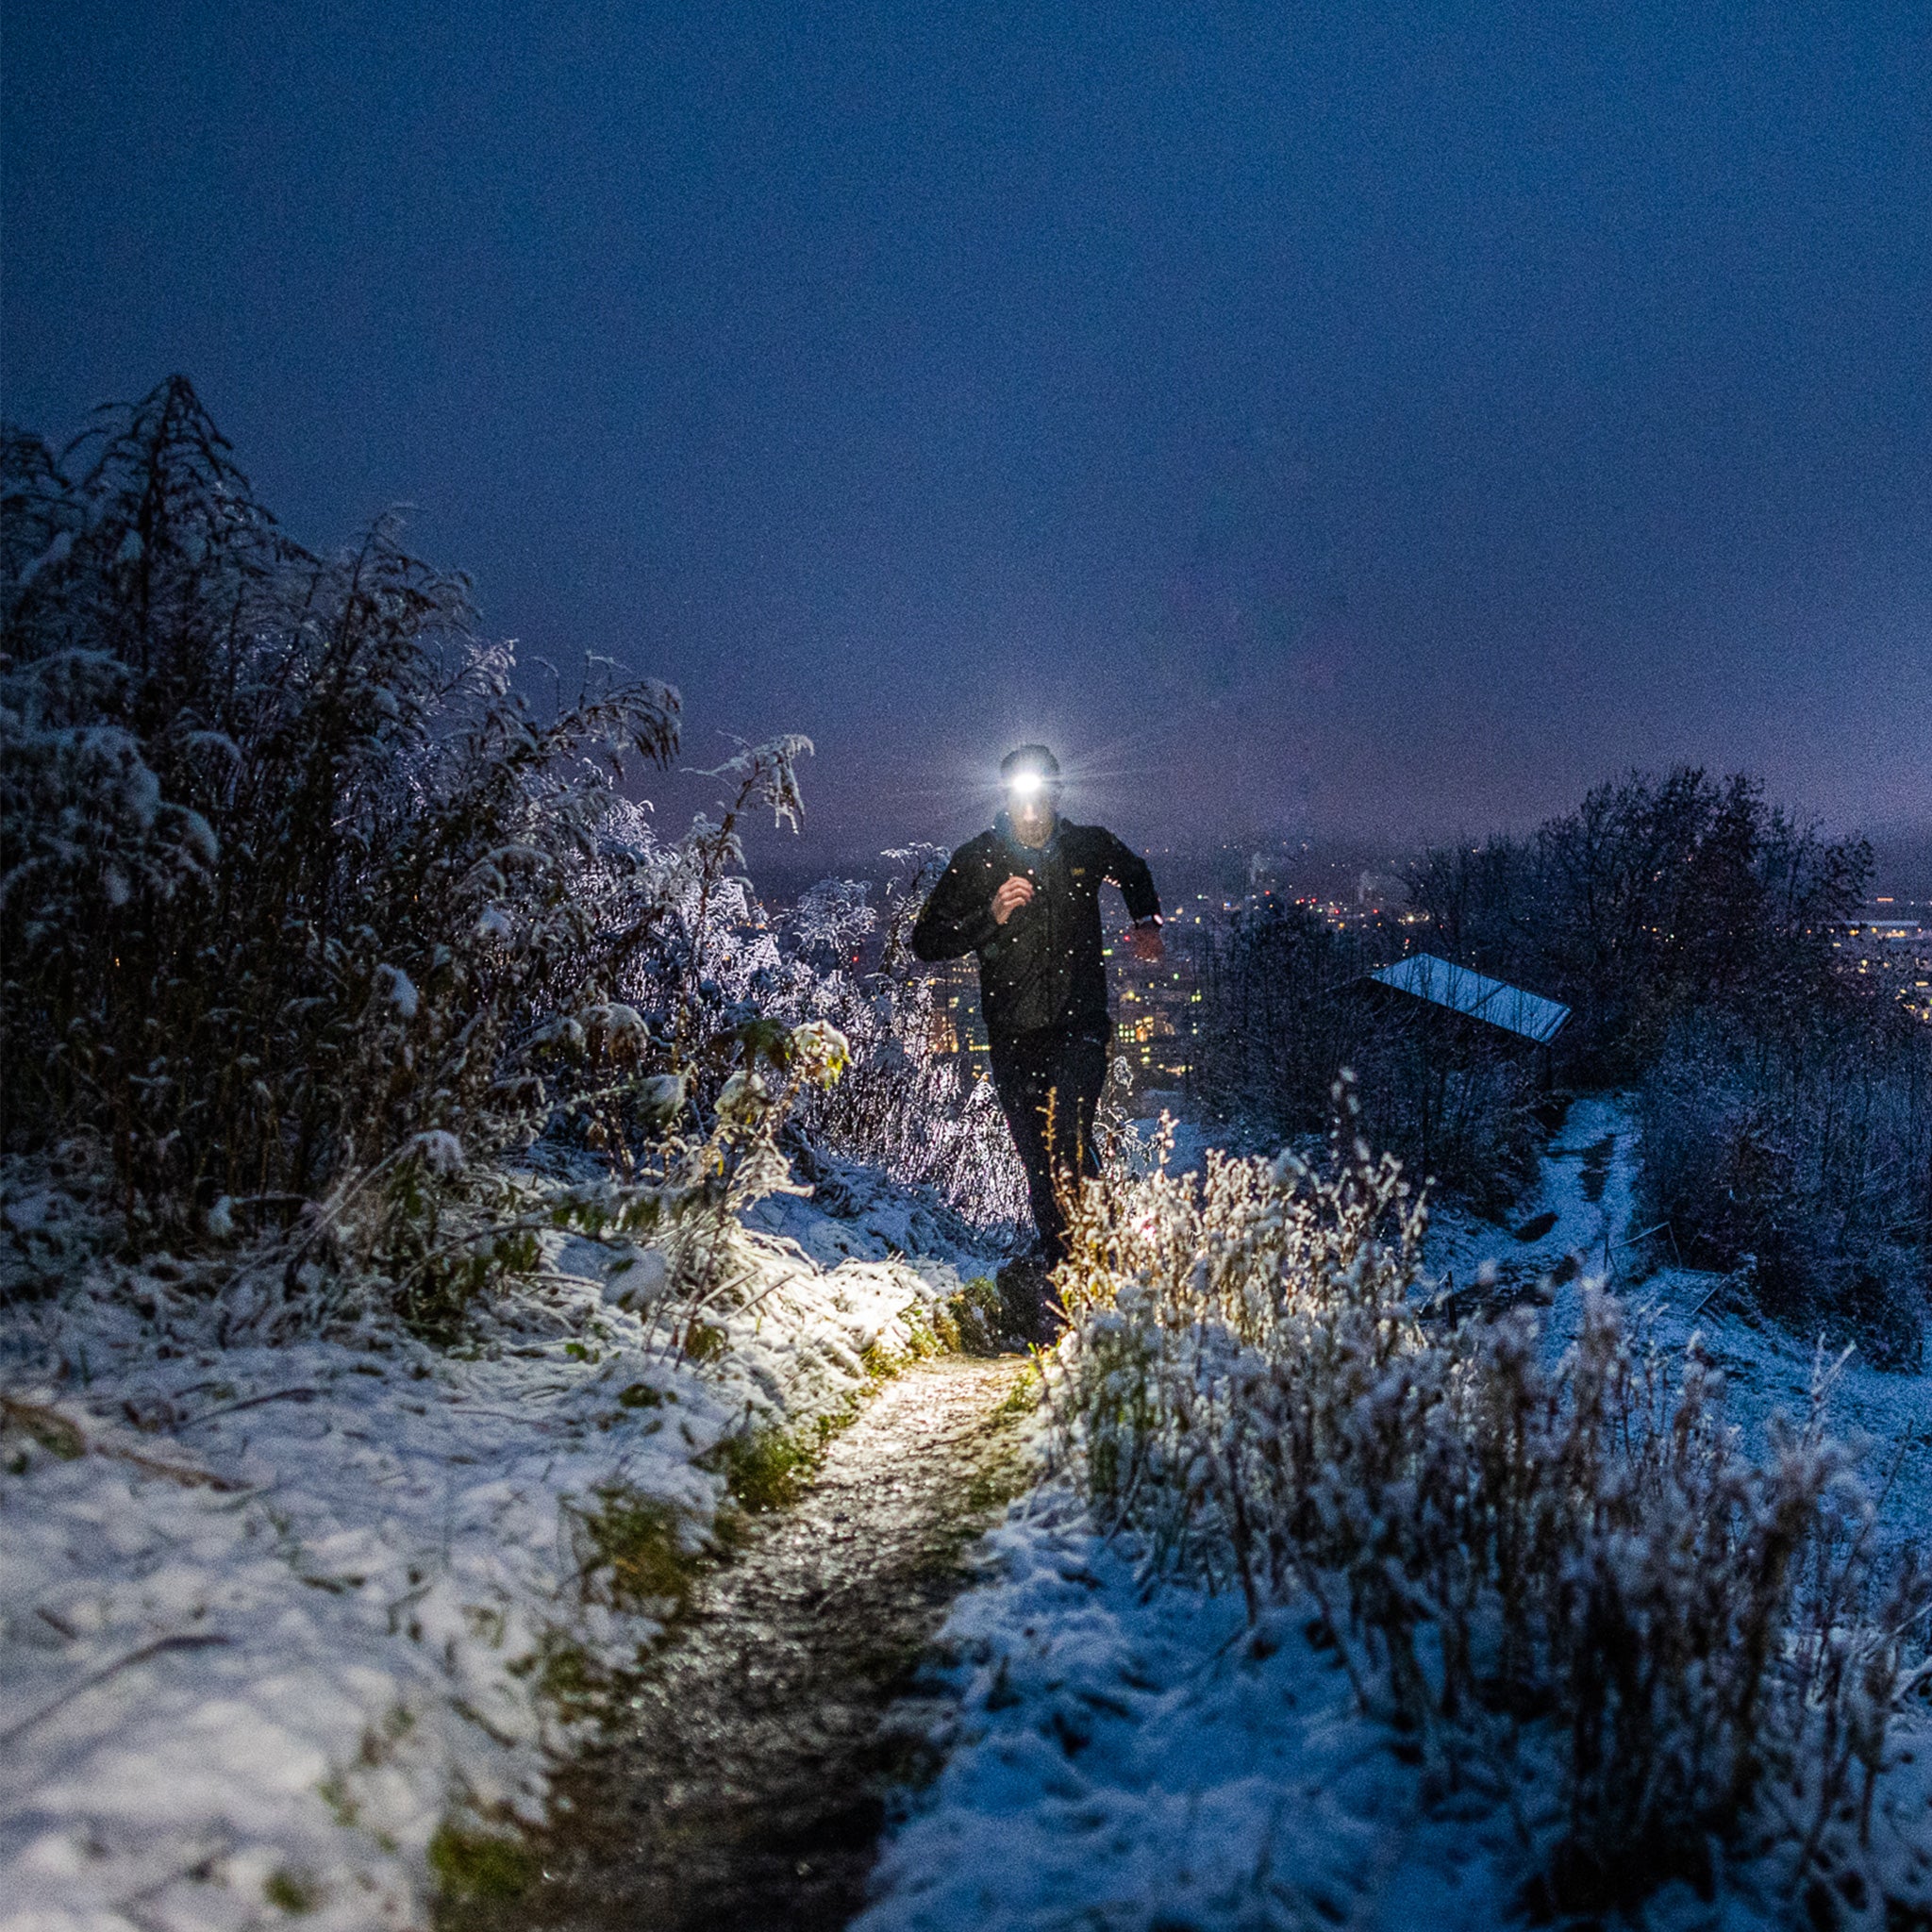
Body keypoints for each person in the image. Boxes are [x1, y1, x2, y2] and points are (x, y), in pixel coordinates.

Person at [911, 744, 1162, 1332]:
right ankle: (1073, 1277)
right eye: (1020, 795)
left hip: (1080, 1026)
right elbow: (926, 941)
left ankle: (1092, 1284)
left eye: (1041, 794)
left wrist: (1146, 922)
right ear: (1005, 797)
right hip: (1013, 1036)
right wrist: (990, 916)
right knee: (1040, 1163)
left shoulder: (1086, 845)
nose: (1031, 807)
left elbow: (1133, 870)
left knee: (1066, 1140)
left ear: (1056, 794)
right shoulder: (978, 859)